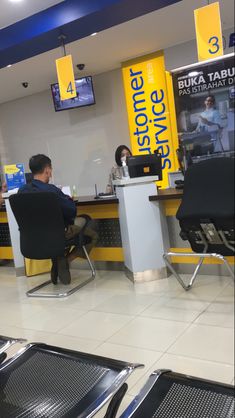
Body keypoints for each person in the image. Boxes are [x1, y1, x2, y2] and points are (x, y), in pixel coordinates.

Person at [18, 154, 98, 284]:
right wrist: (67, 198)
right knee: (88, 224)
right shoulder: (51, 191)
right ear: (47, 170)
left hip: (31, 239)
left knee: (64, 229)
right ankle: (65, 260)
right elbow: (71, 211)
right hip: (59, 235)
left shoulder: (21, 191)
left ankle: (59, 258)